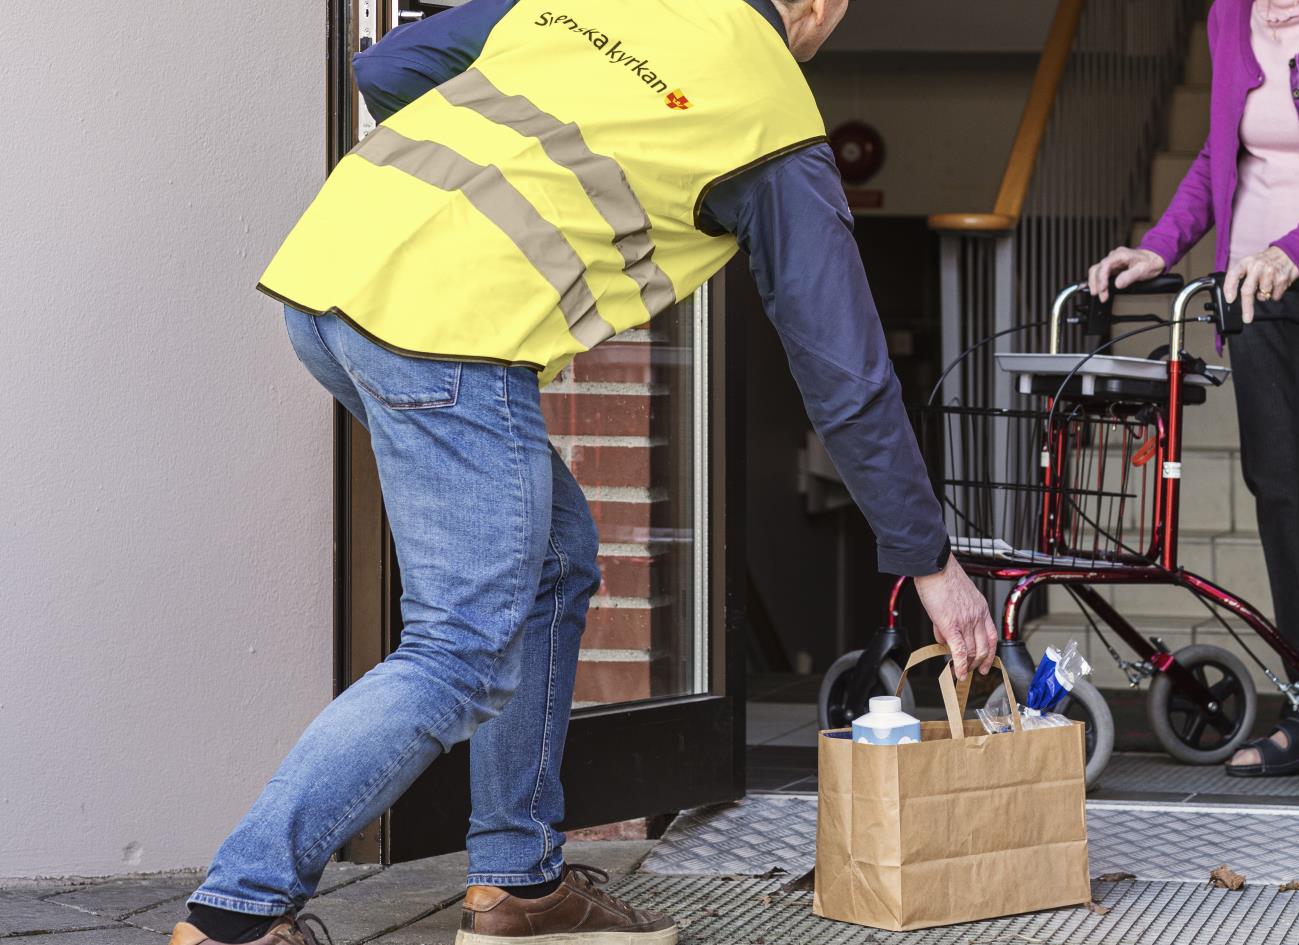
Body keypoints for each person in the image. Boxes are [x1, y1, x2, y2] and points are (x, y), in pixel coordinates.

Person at [173, 2, 997, 944]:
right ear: (819, 8)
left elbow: (390, 66)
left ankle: (519, 882)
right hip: (444, 336)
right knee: (462, 647)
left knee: (555, 559)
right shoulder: (771, 116)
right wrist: (929, 561)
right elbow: (846, 372)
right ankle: (236, 906)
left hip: (330, 278)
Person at [1086, 0, 1299, 784]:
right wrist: (1160, 247)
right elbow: (1216, 158)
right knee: (1284, 497)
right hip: (1253, 294)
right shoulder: (1231, 15)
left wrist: (1297, 250)